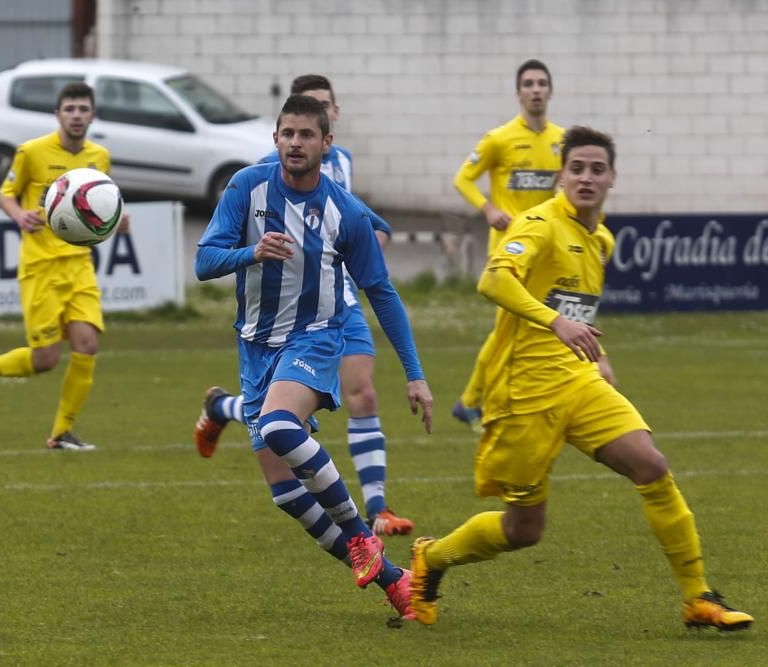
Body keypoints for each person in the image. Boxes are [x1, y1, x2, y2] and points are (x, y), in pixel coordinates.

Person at [409, 126, 753, 632]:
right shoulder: (539, 224)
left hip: (578, 383)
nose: (587, 177)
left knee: (652, 466)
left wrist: (601, 356)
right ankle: (432, 559)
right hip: (523, 393)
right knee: (524, 529)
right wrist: (555, 322)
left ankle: (697, 597)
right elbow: (493, 279)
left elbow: (578, 308)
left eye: (597, 169)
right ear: (561, 176)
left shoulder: (601, 238)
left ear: (612, 177)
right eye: (577, 168)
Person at [195, 94, 434, 620]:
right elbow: (204, 261)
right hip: (255, 345)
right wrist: (250, 253)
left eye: (307, 135)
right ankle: (397, 582)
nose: (296, 143)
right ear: (275, 139)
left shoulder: (343, 212)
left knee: (282, 428)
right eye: (288, 134)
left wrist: (415, 374)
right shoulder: (245, 188)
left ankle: (359, 535)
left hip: (314, 338)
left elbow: (382, 292)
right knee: (285, 493)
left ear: (328, 144)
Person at [0, 82, 124, 451]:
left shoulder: (100, 157)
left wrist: (116, 220)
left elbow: (99, 206)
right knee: (46, 359)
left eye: (83, 109)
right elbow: (6, 193)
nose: (77, 116)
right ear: (58, 115)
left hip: (79, 265)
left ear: (92, 115)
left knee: (87, 344)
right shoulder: (32, 152)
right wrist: (19, 215)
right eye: (70, 109)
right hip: (41, 266)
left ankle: (61, 432)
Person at [451, 59, 565, 434]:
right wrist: (488, 209)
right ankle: (475, 401)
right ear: (519, 93)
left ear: (550, 91)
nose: (535, 89)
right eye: (528, 84)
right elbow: (463, 179)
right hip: (509, 251)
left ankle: (483, 400)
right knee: (508, 329)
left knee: (521, 330)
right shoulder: (499, 138)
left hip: (545, 251)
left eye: (541, 83)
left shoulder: (562, 142)